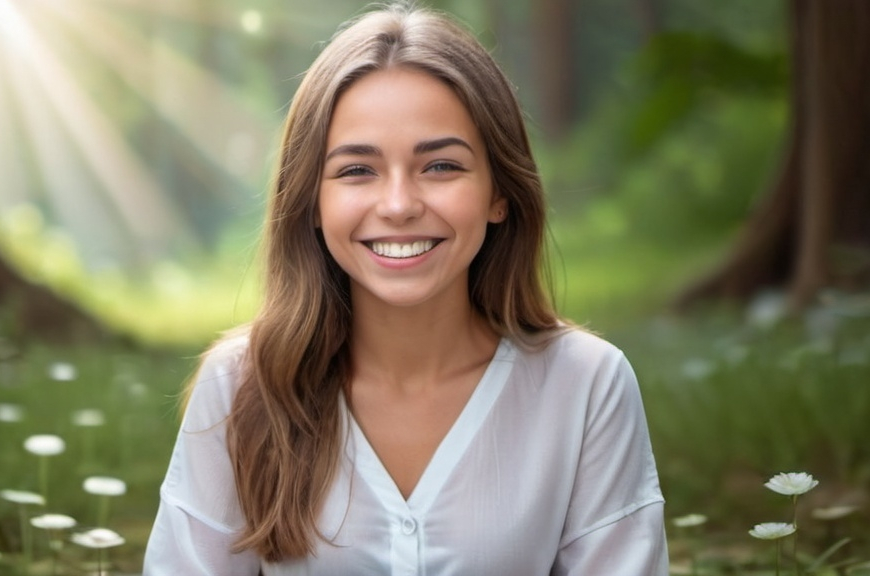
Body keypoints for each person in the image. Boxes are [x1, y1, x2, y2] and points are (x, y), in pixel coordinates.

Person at [143, 3, 668, 574]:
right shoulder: (238, 386)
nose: (398, 205)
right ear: (311, 204)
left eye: (440, 166)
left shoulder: (587, 385)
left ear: (500, 193)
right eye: (356, 170)